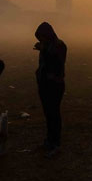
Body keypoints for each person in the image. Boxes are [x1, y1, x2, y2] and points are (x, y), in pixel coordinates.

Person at [33, 22, 67, 158]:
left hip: (55, 85)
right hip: (44, 85)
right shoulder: (46, 47)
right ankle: (49, 140)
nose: (41, 40)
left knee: (54, 114)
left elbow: (58, 63)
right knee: (48, 114)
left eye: (42, 37)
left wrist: (44, 50)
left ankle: (56, 143)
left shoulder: (59, 45)